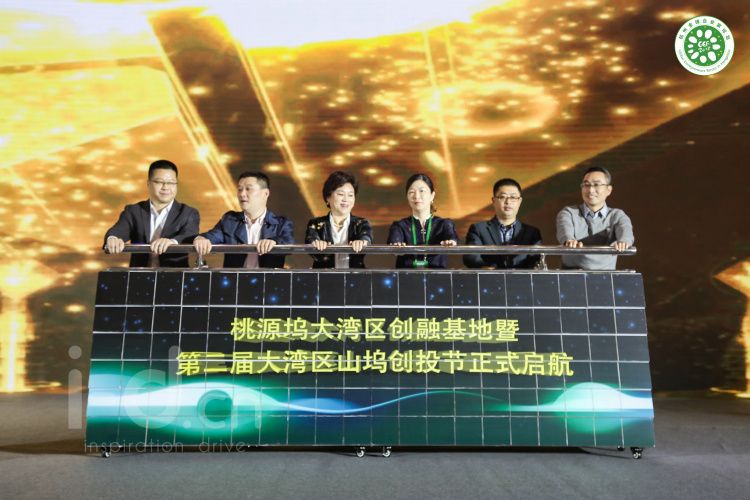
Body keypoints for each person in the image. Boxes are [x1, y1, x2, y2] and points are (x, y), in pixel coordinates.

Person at [104, 159, 199, 267]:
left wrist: (172, 242)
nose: (165, 187)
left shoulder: (188, 213)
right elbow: (118, 230)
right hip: (139, 274)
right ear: (148, 183)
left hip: (175, 275)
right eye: (159, 182)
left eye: (171, 182)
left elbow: (189, 235)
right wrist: (113, 238)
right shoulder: (133, 211)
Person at [193, 172, 293, 268]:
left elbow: (288, 243)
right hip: (235, 278)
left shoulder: (281, 223)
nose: (242, 194)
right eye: (239, 189)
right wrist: (201, 238)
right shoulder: (230, 220)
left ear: (265, 193)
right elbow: (212, 236)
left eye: (248, 189)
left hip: (268, 279)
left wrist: (274, 242)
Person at [555, 166, 634, 270]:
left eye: (596, 184)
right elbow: (564, 231)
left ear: (608, 190)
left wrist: (624, 242)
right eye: (586, 185)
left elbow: (626, 232)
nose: (591, 190)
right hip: (572, 275)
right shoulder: (568, 213)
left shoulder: (617, 215)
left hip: (606, 277)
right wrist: (569, 240)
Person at [464, 178, 542, 269]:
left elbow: (536, 259)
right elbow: (471, 257)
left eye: (513, 197)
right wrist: (488, 268)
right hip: (490, 277)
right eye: (502, 197)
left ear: (519, 201)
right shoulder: (478, 229)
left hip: (521, 278)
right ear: (494, 201)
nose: (508, 202)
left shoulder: (532, 232)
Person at [387, 173, 458, 269]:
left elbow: (451, 237)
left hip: (436, 276)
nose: (416, 196)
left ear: (432, 195)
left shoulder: (444, 224)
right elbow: (394, 241)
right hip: (406, 276)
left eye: (422, 191)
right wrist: (396, 246)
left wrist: (451, 242)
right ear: (407, 196)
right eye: (411, 192)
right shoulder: (399, 225)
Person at [305, 171, 372, 268]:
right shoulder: (315, 223)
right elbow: (311, 242)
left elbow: (366, 237)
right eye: (341, 194)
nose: (346, 199)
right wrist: (317, 244)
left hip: (355, 276)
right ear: (328, 197)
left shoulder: (362, 223)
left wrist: (362, 242)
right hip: (324, 275)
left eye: (350, 195)